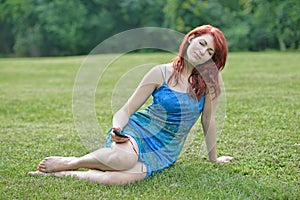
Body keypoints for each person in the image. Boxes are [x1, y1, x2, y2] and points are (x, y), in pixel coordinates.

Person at [28, 25, 233, 185]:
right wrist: (117, 128)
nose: (202, 51)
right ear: (191, 39)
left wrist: (213, 158)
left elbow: (208, 119)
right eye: (202, 43)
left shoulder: (209, 81)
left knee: (122, 178)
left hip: (165, 150)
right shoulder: (159, 73)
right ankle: (73, 162)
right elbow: (125, 110)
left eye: (209, 51)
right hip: (137, 131)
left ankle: (66, 174)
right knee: (123, 161)